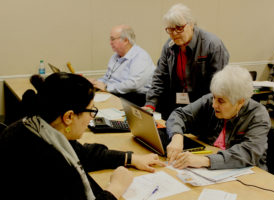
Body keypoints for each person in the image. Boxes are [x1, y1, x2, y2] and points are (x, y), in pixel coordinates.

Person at [0, 72, 165, 200]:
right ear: (69, 117)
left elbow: (84, 153)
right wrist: (115, 188)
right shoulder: (51, 162)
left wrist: (131, 158)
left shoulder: (36, 126)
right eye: (91, 110)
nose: (92, 117)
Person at [165, 65, 271, 170]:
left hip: (249, 174)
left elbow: (248, 153)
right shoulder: (209, 101)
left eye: (221, 101)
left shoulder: (258, 115)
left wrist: (205, 161)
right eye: (214, 97)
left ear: (240, 102)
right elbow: (179, 115)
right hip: (212, 169)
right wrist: (177, 136)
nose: (214, 105)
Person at [144, 3, 229, 119]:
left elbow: (218, 87)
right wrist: (150, 105)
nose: (174, 33)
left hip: (204, 108)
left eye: (179, 28)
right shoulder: (169, 47)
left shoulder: (212, 45)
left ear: (191, 24)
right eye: (170, 29)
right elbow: (159, 78)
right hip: (175, 105)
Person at [91, 25, 155, 106]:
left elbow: (133, 84)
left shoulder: (140, 56)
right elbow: (108, 77)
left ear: (125, 40)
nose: (110, 42)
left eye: (113, 39)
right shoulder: (115, 56)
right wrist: (96, 83)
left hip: (134, 97)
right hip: (115, 93)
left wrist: (107, 88)